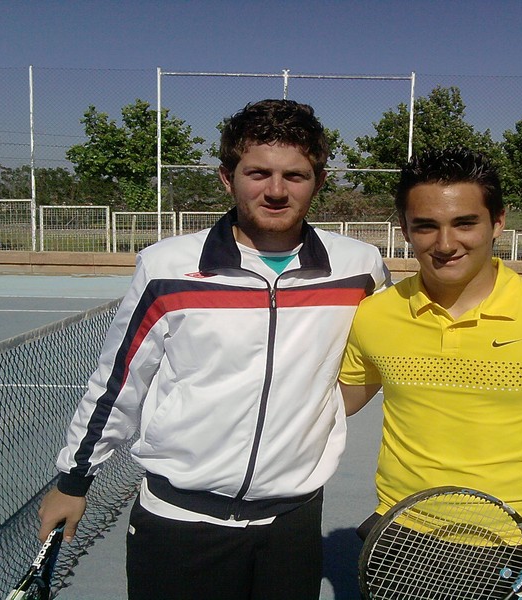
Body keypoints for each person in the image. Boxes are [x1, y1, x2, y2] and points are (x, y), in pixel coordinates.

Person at [38, 98, 390, 600]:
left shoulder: (359, 267)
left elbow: (390, 347)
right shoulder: (167, 267)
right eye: (258, 173)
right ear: (227, 178)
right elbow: (119, 381)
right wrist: (73, 480)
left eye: (295, 175)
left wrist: (327, 406)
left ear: (319, 181)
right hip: (178, 523)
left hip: (291, 525)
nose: (275, 190)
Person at [339, 147, 522, 600]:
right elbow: (337, 402)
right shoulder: (374, 316)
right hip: (405, 538)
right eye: (426, 226)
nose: (445, 243)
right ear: (405, 229)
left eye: (464, 223)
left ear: (497, 222)